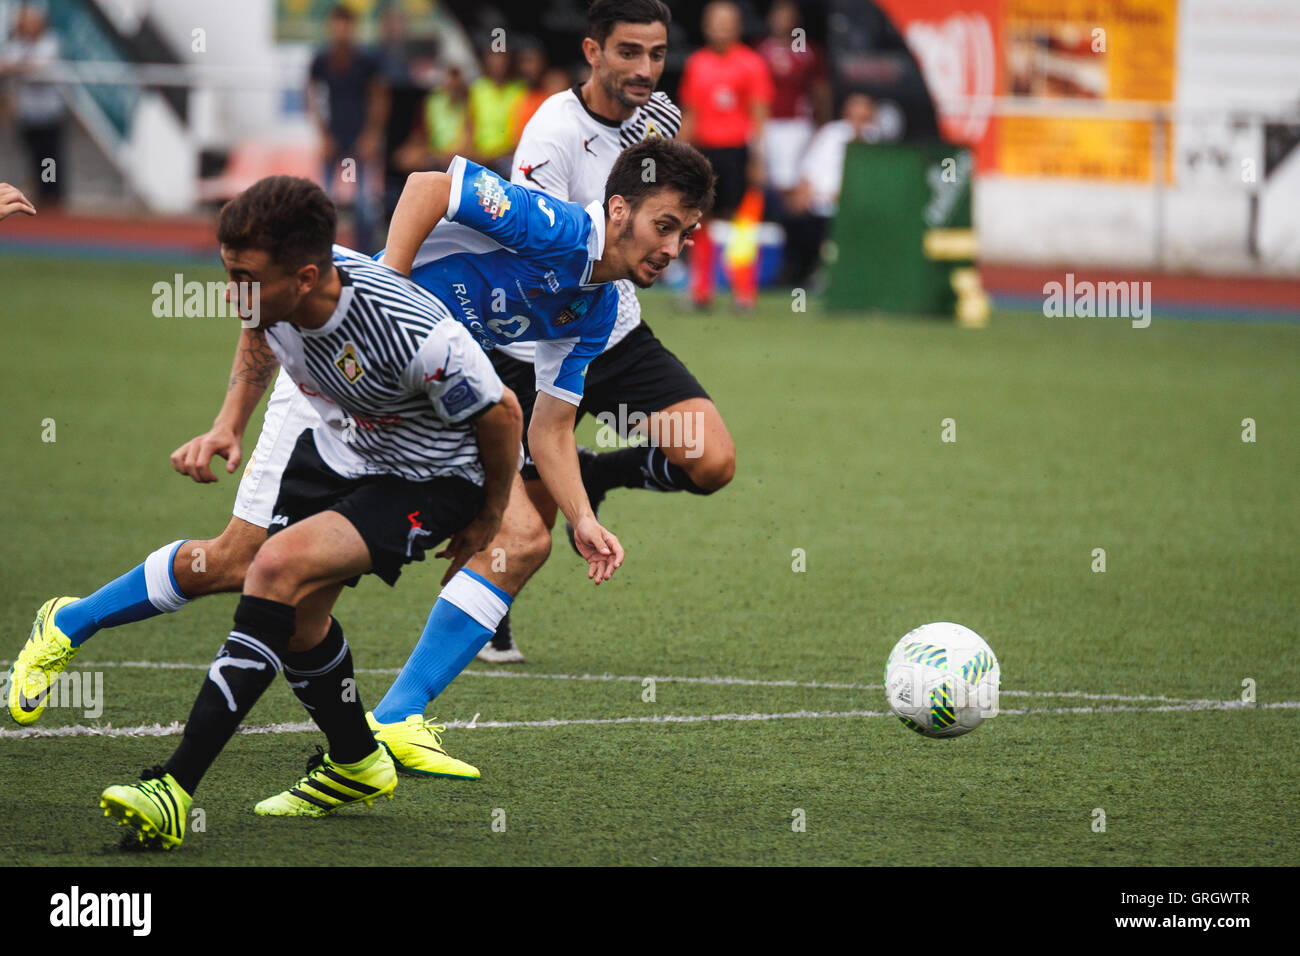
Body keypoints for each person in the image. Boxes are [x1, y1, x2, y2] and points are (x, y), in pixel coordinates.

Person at [10, 138, 712, 785]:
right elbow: (426, 187)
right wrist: (389, 292)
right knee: (238, 563)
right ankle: (70, 623)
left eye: (687, 233)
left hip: (400, 408)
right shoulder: (554, 226)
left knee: (462, 557)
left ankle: (376, 737)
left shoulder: (597, 309)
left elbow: (549, 428)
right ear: (619, 210)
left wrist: (582, 519)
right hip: (333, 372)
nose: (674, 247)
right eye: (664, 225)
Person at [93, 176, 523, 848]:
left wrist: (489, 514)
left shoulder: (413, 333)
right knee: (300, 622)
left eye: (246, 278)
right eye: (228, 273)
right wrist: (228, 424)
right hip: (343, 449)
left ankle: (172, 788)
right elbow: (259, 333)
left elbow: (503, 413)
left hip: (433, 479)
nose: (234, 292)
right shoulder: (271, 293)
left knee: (272, 570)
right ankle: (355, 761)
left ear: (307, 275)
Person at [476, 0, 738, 663]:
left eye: (656, 54)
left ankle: (603, 473)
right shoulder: (550, 136)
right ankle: (486, 611)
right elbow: (538, 252)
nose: (646, 69)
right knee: (524, 531)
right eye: (629, 52)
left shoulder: (661, 121)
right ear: (592, 52)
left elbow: (676, 207)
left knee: (711, 462)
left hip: (614, 335)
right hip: (533, 348)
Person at [678, 0, 774, 310]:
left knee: (740, 223)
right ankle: (701, 292)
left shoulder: (752, 63)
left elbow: (760, 116)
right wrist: (680, 155)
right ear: (706, 25)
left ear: (738, 26)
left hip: (737, 152)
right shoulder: (697, 63)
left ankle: (743, 292)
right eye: (715, 21)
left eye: (727, 21)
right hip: (704, 152)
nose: (720, 27)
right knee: (698, 220)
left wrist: (759, 159)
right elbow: (690, 113)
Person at [783, 92, 896, 286]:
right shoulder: (830, 134)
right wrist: (803, 193)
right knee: (795, 218)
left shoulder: (877, 140)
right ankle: (802, 275)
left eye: (864, 108)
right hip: (821, 203)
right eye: (855, 107)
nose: (858, 113)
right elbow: (809, 170)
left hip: (856, 207)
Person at [307, 3, 389, 251]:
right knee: (325, 200)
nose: (341, 30)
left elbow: (379, 98)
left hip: (360, 137)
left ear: (353, 28)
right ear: (330, 27)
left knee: (364, 203)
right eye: (337, 25)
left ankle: (365, 254)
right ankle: (322, 253)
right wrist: (322, 136)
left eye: (346, 25)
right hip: (334, 136)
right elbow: (312, 96)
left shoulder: (366, 61)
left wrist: (372, 136)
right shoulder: (322, 60)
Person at [0, 4, 65, 207]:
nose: (26, 27)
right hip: (27, 113)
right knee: (33, 155)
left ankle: (51, 195)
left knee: (49, 158)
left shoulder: (50, 42)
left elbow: (37, 66)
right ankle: (38, 193)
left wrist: (15, 68)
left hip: (48, 113)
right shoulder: (19, 44)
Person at [467, 46, 524, 178]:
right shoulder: (477, 89)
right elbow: (469, 125)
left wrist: (497, 155)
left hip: (508, 158)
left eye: (501, 56)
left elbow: (521, 131)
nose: (497, 62)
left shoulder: (520, 90)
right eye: (493, 56)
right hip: (480, 157)